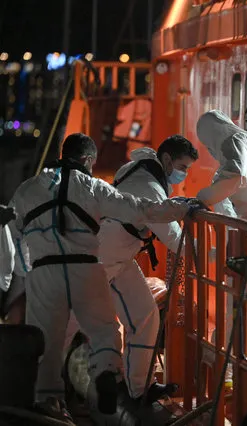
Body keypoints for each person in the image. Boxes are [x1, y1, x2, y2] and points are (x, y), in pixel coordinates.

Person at [7, 133, 195, 421]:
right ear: (89, 161)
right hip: (92, 263)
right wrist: (184, 207)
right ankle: (96, 379)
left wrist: (23, 272)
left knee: (55, 337)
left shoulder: (27, 189)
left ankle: (52, 403)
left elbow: (16, 232)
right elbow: (143, 209)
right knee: (93, 330)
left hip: (59, 268)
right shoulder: (94, 187)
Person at [64, 135, 200, 404]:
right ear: (167, 160)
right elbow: (173, 236)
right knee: (67, 326)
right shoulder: (147, 184)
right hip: (100, 260)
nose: (183, 174)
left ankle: (139, 389)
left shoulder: (136, 169)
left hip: (119, 258)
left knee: (145, 315)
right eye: (183, 167)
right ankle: (32, 386)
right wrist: (213, 254)